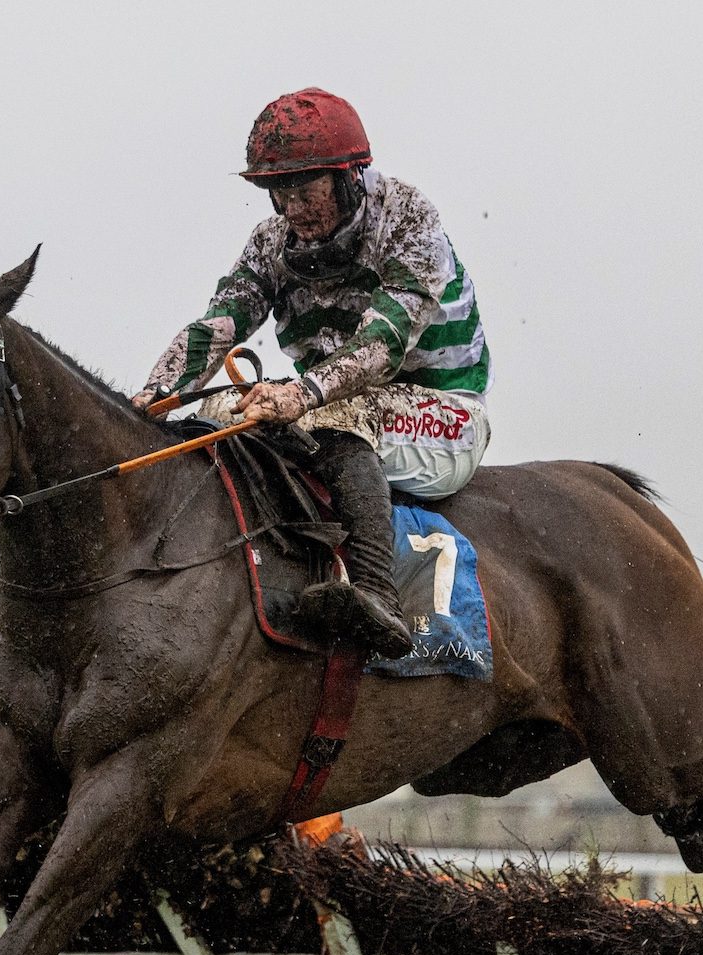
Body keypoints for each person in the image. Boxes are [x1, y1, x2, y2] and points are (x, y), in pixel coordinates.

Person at [133, 88, 491, 659]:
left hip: (445, 414)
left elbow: (384, 343)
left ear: (349, 177)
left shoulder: (407, 217)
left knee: (330, 408)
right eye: (278, 192)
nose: (291, 208)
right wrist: (153, 396)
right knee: (216, 411)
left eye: (304, 190)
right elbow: (220, 322)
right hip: (336, 405)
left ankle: (377, 595)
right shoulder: (271, 243)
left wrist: (300, 393)